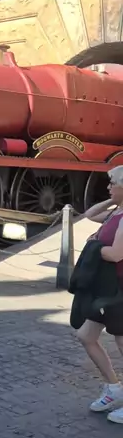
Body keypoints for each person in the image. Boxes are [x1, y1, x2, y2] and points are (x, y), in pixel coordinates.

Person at [77, 165, 123, 422]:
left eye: (112, 183)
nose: (108, 187)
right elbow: (90, 214)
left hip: (120, 288)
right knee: (86, 335)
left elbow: (116, 254)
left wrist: (94, 247)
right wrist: (114, 200)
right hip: (107, 287)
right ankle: (114, 388)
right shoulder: (116, 212)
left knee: (122, 342)